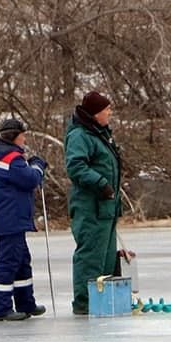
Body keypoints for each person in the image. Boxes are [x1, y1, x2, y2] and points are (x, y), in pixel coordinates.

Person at [65, 91, 130, 316]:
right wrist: (101, 183)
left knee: (107, 256)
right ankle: (84, 302)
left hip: (107, 207)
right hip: (90, 206)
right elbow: (75, 166)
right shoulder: (80, 136)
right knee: (91, 254)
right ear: (95, 113)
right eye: (106, 110)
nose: (110, 113)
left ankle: (104, 299)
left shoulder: (101, 134)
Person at [0, 118, 48, 321]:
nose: (25, 138)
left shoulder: (1, 158)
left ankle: (25, 303)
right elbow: (30, 179)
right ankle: (0, 308)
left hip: (9, 219)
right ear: (14, 137)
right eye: (23, 135)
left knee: (21, 261)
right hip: (9, 220)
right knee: (9, 262)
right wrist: (38, 165)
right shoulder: (11, 159)